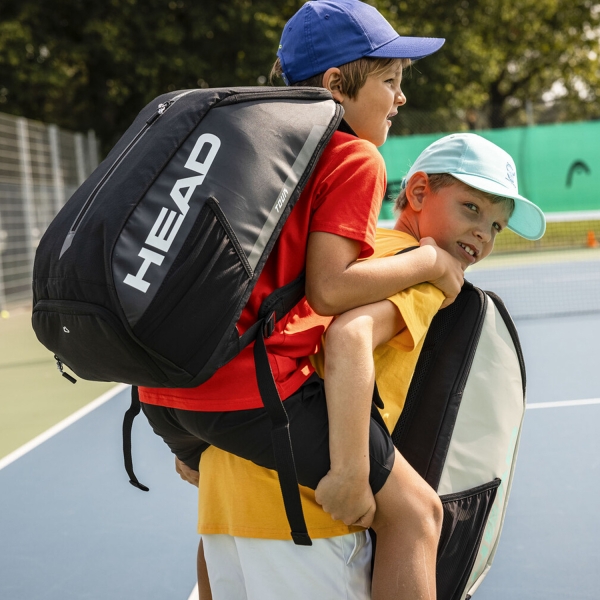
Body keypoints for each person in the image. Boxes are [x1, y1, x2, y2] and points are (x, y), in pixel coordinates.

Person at [140, 1, 463, 598]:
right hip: (245, 391)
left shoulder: (251, 146)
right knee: (418, 515)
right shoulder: (351, 155)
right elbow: (331, 289)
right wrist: (431, 261)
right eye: (390, 81)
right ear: (337, 86)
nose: (400, 98)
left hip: (168, 392)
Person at [188, 133, 546, 599]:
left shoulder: (342, 251)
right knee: (419, 514)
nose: (483, 232)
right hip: (307, 513)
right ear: (417, 194)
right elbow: (349, 338)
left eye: (498, 226)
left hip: (223, 500)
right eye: (472, 208)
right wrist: (353, 475)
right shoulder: (422, 273)